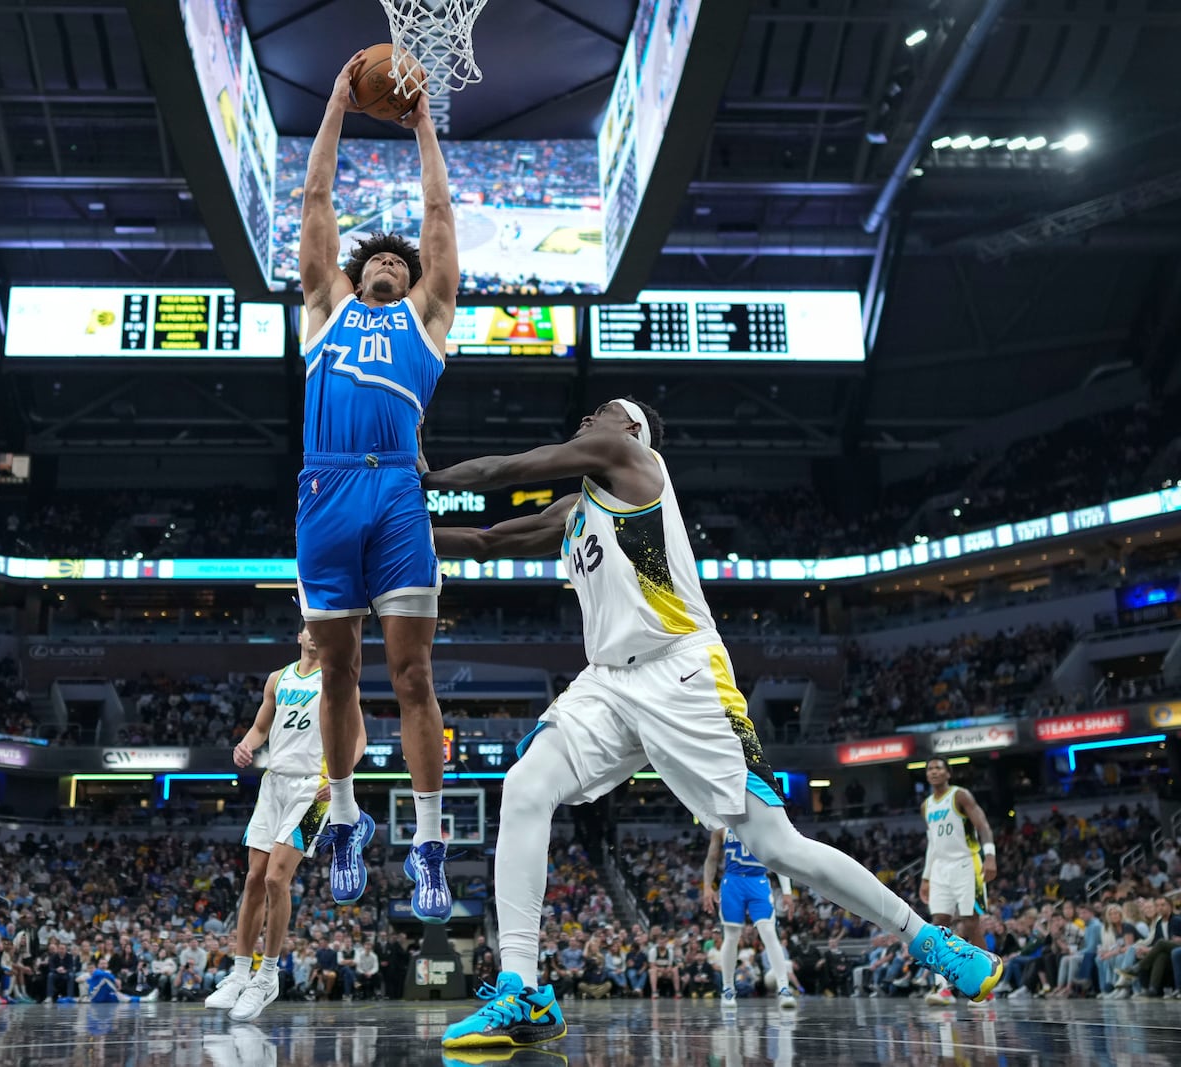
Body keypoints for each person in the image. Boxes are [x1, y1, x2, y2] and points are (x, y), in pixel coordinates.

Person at [429, 400, 1003, 1048]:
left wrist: (424, 478)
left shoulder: (634, 463)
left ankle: (928, 939)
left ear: (634, 431)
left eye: (606, 411)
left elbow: (507, 467)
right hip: (609, 681)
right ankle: (521, 989)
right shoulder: (576, 509)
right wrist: (396, 529)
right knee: (524, 785)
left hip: (683, 673)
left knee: (776, 845)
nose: (591, 416)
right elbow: (485, 541)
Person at [296, 53, 459, 921]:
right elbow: (317, 202)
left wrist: (424, 120)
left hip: (396, 492)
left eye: (402, 262)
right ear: (358, 277)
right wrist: (335, 102)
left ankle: (430, 841)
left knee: (414, 676)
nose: (391, 264)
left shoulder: (427, 321)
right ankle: (348, 815)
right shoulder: (327, 306)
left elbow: (436, 211)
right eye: (379, 261)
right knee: (336, 673)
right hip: (324, 493)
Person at [204, 627, 364, 1023]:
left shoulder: (339, 676)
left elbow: (358, 736)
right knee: (254, 879)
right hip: (274, 783)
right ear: (299, 635)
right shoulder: (278, 678)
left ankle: (268, 975)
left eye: (322, 632)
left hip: (314, 787)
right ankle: (240, 973)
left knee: (277, 880)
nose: (316, 637)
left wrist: (341, 778)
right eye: (310, 631)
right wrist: (246, 744)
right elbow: (261, 727)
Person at [918, 756, 997, 1006]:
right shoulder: (926, 805)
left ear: (948, 773)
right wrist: (926, 876)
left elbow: (983, 825)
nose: (934, 771)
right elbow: (933, 843)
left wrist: (990, 856)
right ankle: (942, 988)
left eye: (938, 768)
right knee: (938, 926)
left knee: (971, 923)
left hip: (966, 863)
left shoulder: (960, 795)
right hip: (941, 867)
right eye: (930, 768)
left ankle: (986, 983)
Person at [702, 828, 798, 1010]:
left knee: (769, 934)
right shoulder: (722, 825)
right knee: (731, 936)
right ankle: (728, 989)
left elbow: (778, 858)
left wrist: (786, 891)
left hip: (758, 881)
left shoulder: (763, 823)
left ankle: (784, 987)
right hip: (733, 882)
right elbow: (712, 857)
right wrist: (707, 886)